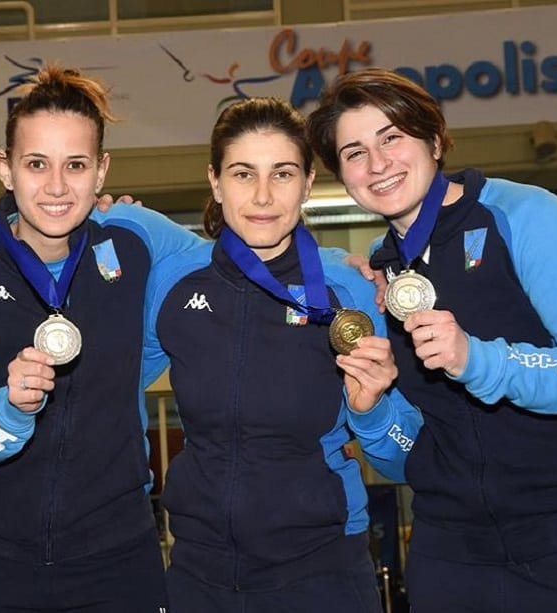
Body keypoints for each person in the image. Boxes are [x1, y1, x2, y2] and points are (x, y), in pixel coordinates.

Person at [306, 67, 557, 612]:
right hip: (451, 550)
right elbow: (411, 461)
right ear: (341, 175)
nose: (376, 165)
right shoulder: (382, 274)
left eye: (392, 137)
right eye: (353, 152)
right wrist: (374, 416)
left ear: (435, 139)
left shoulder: (525, 214)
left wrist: (480, 360)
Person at [0, 65, 206, 612]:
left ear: (101, 171)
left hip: (118, 555)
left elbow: (245, 260)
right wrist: (10, 411)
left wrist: (343, 270)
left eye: (75, 165)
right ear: (5, 169)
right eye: (37, 164)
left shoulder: (135, 238)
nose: (57, 187)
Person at [142, 96, 423, 612]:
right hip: (200, 574)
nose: (264, 196)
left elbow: (406, 459)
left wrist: (374, 411)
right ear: (215, 181)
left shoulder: (351, 290)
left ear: (309, 184)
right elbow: (106, 393)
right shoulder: (172, 283)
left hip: (322, 572)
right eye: (243, 173)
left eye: (284, 173)